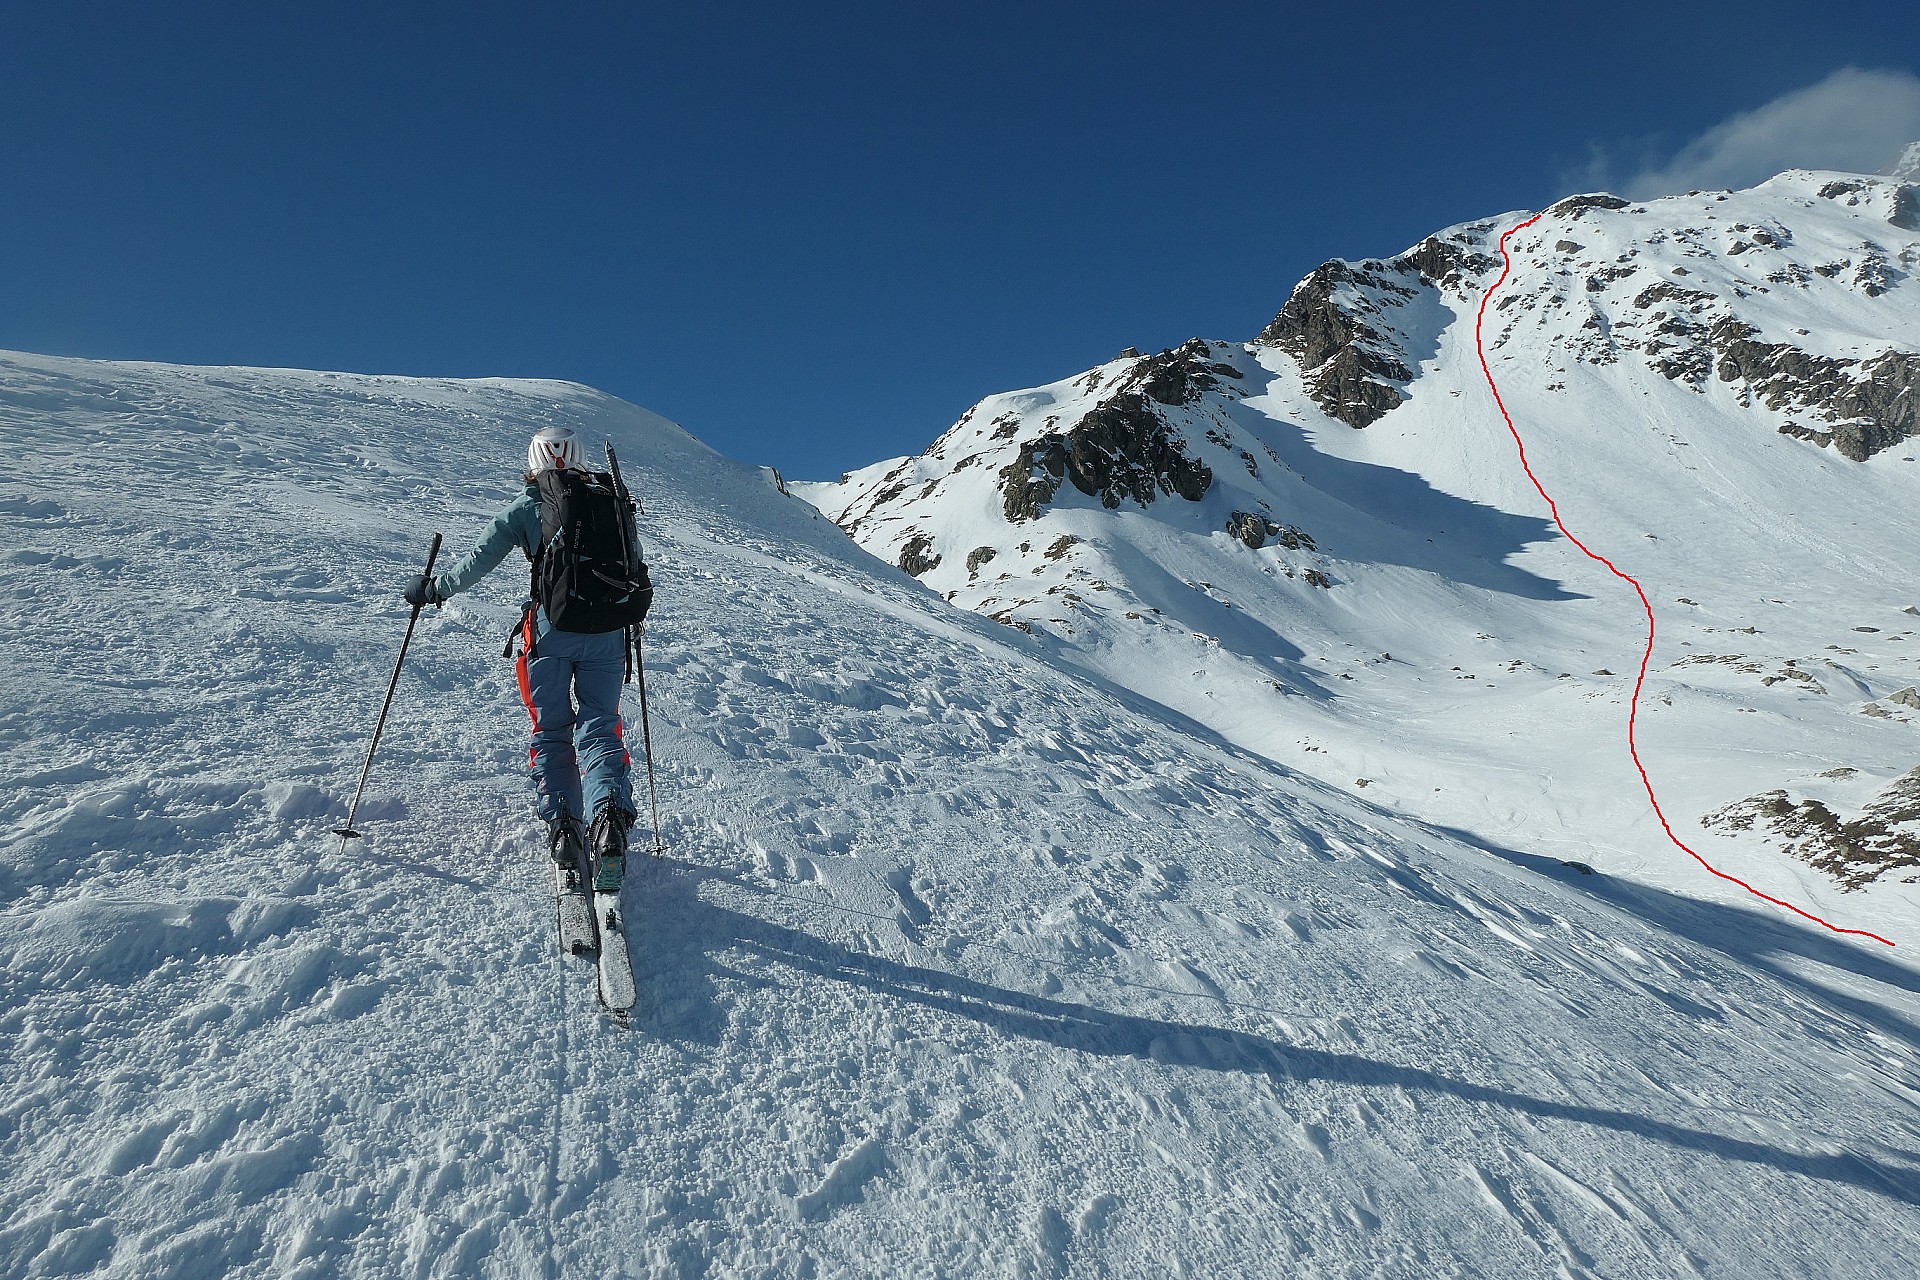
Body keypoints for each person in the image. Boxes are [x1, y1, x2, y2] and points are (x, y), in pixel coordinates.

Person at [404, 425, 648, 889]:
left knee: (551, 729)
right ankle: (608, 820)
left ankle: (563, 825)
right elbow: (633, 564)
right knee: (600, 726)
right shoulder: (610, 501)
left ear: (534, 462)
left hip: (550, 634)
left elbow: (479, 558)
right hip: (608, 635)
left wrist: (435, 589)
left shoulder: (527, 506)